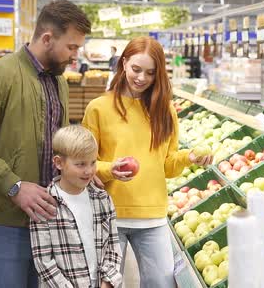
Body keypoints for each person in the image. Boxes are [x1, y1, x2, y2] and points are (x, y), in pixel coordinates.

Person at [0, 0, 92, 288]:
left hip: (47, 219)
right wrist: (13, 186)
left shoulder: (58, 82)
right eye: (72, 47)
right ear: (47, 38)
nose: (75, 57)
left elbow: (56, 144)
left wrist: (77, 171)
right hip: (5, 220)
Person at [82, 36, 213, 287]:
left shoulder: (165, 111)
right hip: (108, 216)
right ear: (123, 64)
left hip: (153, 217)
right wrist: (110, 169)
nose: (141, 78)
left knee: (162, 284)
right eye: (136, 69)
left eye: (150, 73)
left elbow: (167, 166)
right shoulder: (98, 108)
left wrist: (190, 158)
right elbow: (84, 165)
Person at [30, 125, 123, 288]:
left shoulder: (102, 198)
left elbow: (113, 245)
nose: (89, 171)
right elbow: (43, 261)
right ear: (59, 163)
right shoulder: (45, 204)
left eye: (93, 162)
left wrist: (108, 282)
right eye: (80, 164)